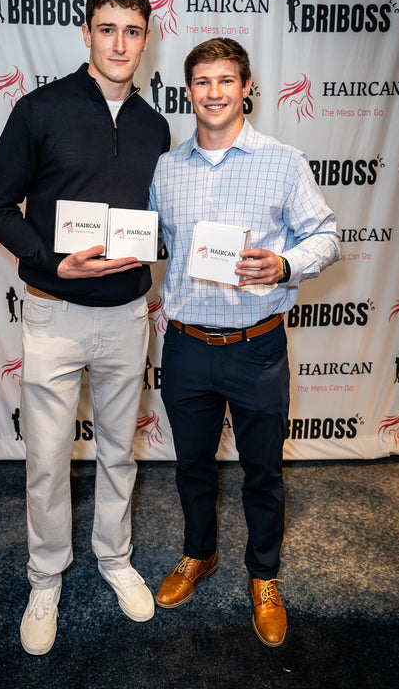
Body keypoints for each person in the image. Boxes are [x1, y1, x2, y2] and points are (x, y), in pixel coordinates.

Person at [0, 0, 170, 656]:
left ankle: (114, 559)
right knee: (47, 459)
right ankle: (45, 577)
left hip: (126, 315)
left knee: (120, 451)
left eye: (132, 31)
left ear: (145, 40)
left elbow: (159, 223)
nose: (119, 43)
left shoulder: (155, 125)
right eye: (107, 28)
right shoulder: (39, 109)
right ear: (86, 33)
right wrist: (51, 262)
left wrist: (164, 243)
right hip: (53, 311)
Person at [149, 38, 340, 647]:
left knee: (262, 471)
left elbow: (328, 235)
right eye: (202, 82)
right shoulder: (167, 167)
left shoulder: (284, 161)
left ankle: (264, 575)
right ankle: (198, 553)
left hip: (256, 348)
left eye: (225, 81)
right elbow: (154, 242)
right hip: (184, 346)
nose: (214, 93)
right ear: (188, 93)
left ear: (246, 87)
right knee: (192, 466)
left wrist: (284, 265)